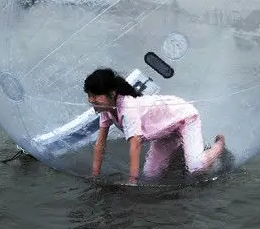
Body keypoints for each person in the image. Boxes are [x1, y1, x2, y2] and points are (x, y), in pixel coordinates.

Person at [83, 68, 225, 184]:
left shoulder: (128, 108)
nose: (91, 100)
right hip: (164, 132)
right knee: (151, 177)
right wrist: (95, 176)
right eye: (89, 95)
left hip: (184, 118)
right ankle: (181, 152)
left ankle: (218, 146)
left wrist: (132, 180)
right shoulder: (106, 109)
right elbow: (100, 144)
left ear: (112, 94)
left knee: (196, 168)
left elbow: (135, 144)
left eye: (95, 96)